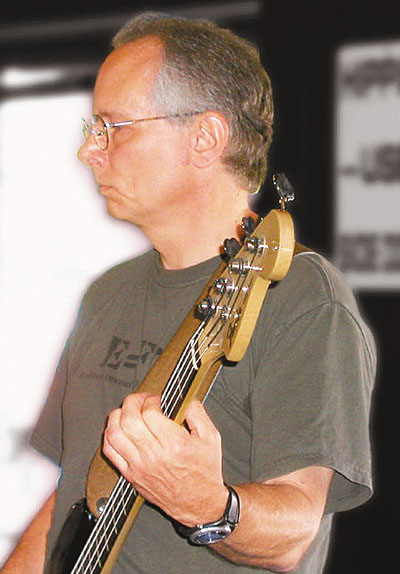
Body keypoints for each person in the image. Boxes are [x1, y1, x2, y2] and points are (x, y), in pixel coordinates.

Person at [1, 12, 376, 574]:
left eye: (114, 126)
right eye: (92, 128)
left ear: (204, 138)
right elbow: (72, 496)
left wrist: (207, 505)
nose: (89, 151)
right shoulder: (107, 293)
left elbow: (293, 530)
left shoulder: (303, 297)